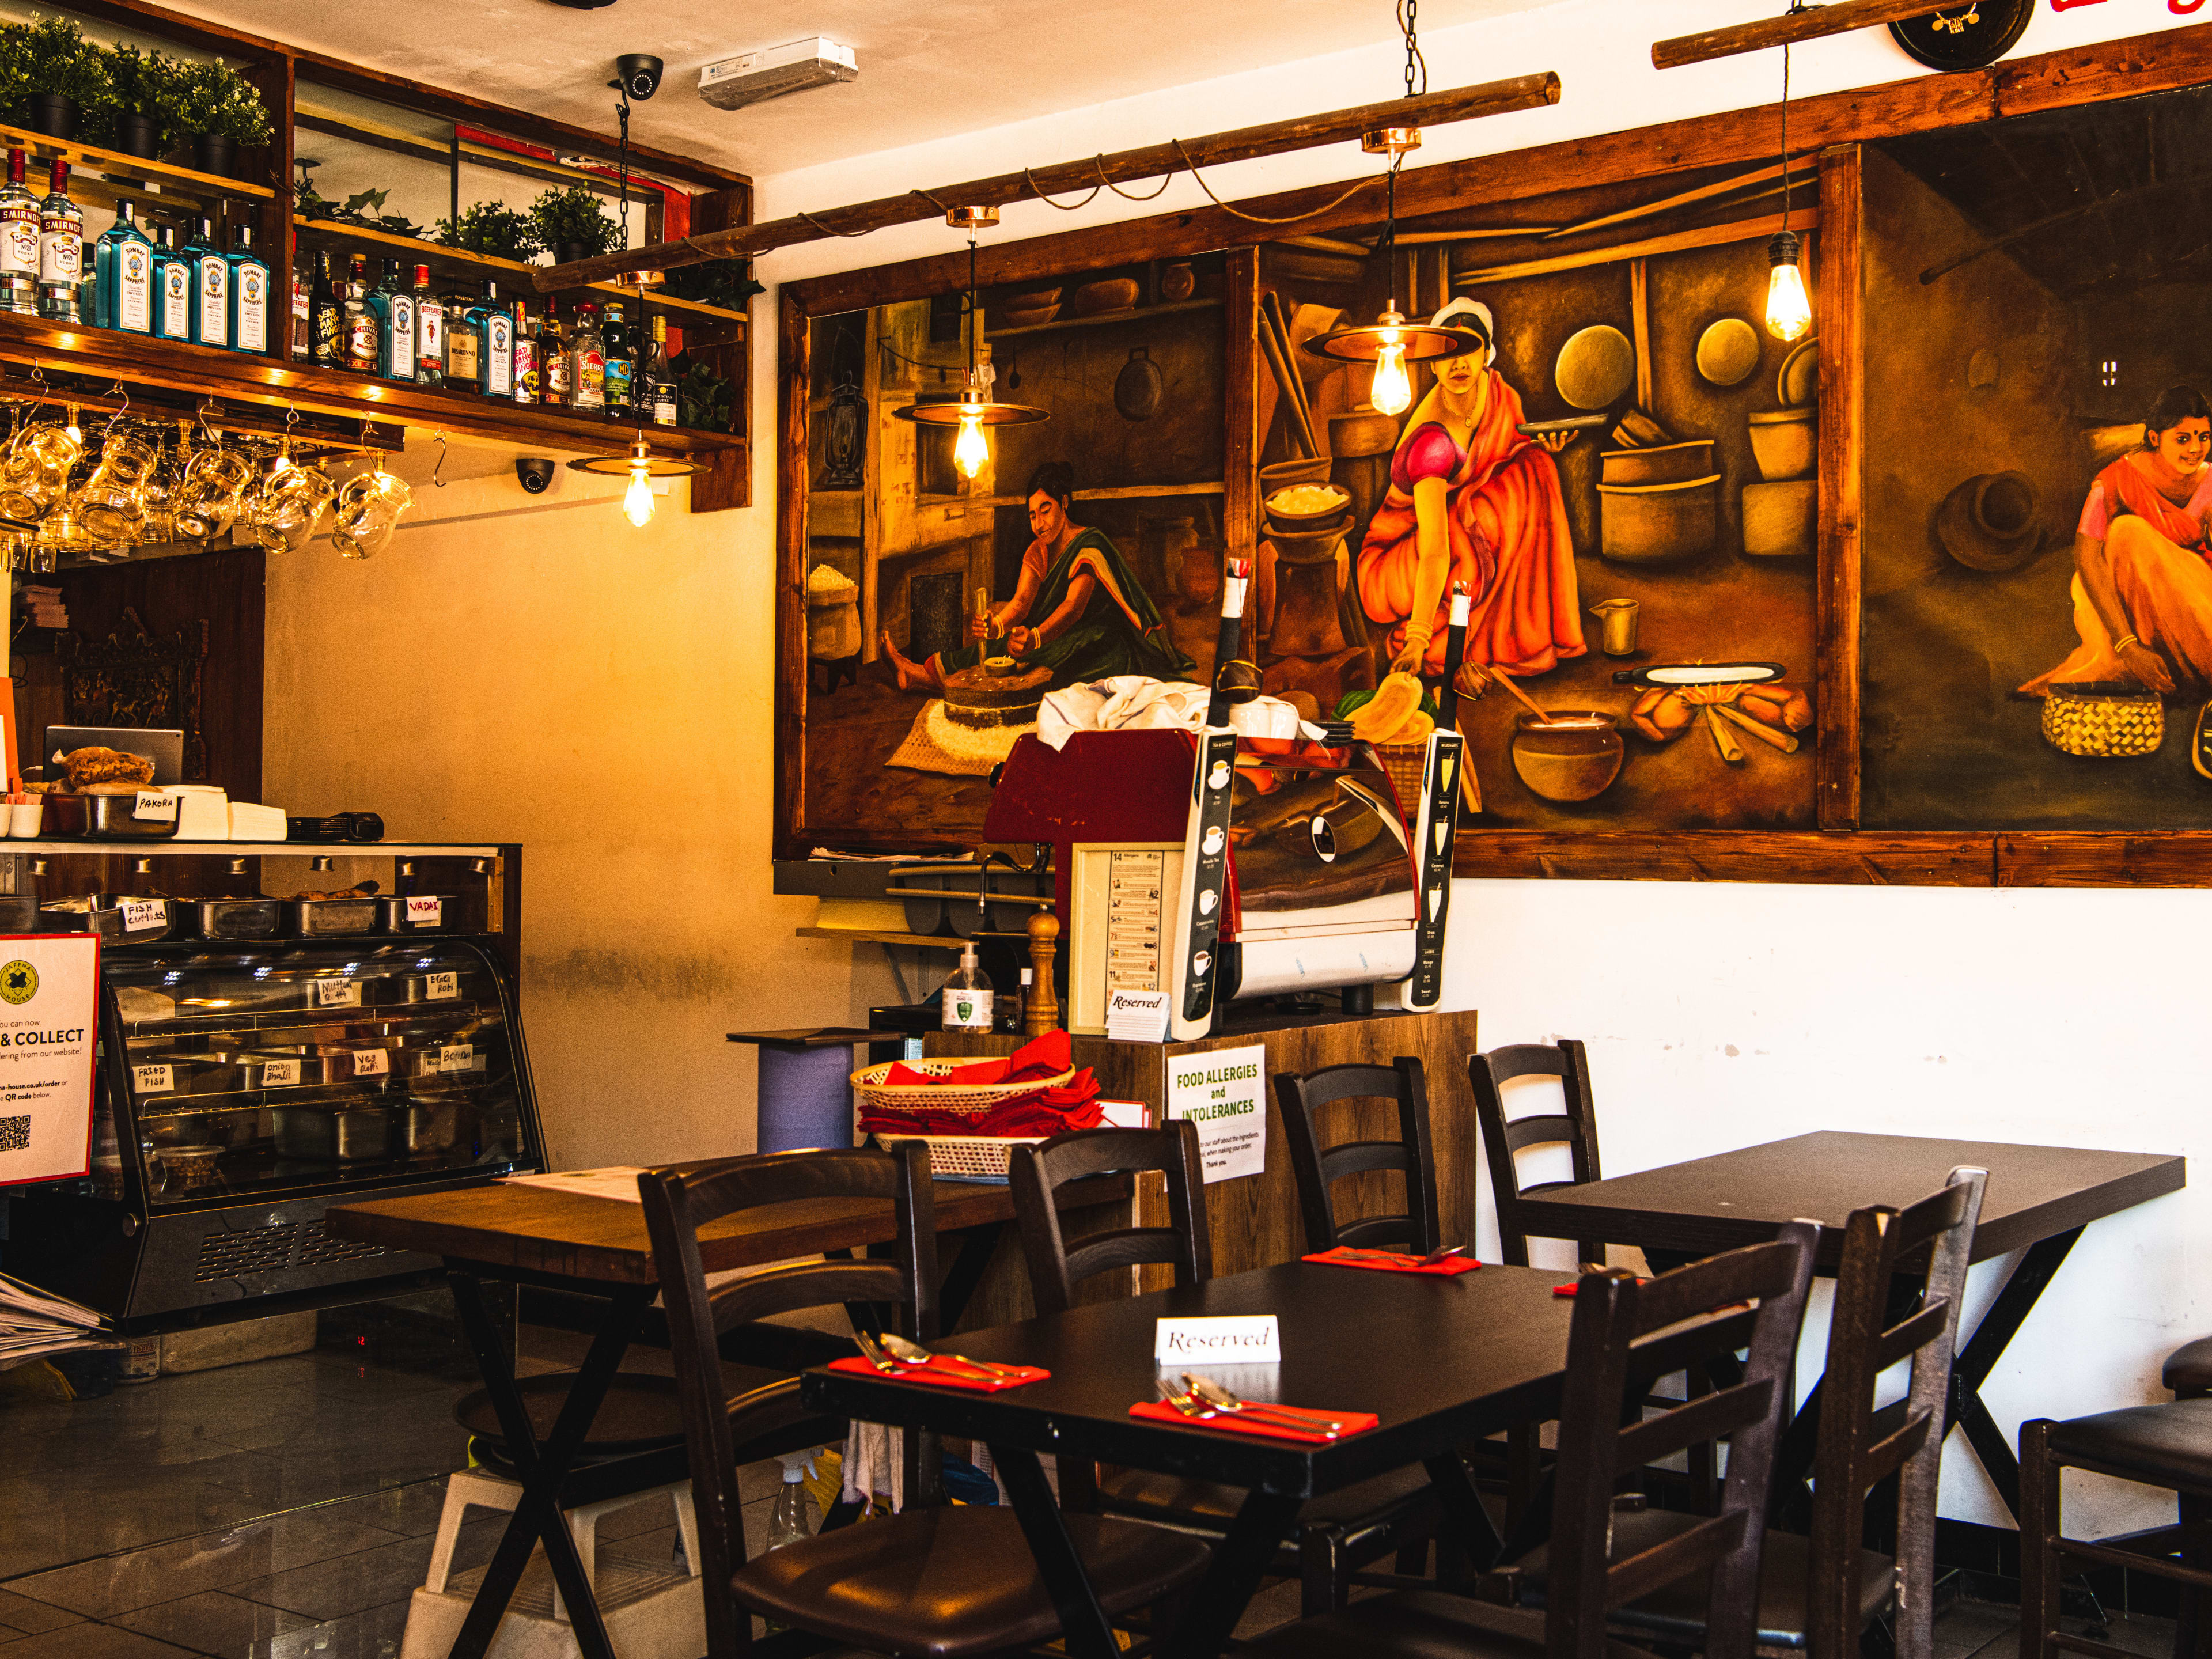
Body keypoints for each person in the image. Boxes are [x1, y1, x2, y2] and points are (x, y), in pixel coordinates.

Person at [1355, 298, 1585, 696]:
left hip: (1451, 533)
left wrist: (1545, 447)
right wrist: (1417, 640)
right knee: (1483, 515)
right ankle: (1455, 633)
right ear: (1432, 363)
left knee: (1536, 470)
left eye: (1470, 349)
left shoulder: (1496, 391)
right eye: (1450, 352)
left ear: (1486, 356)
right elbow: (1434, 551)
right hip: (1393, 566)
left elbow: (1509, 456)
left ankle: (1516, 628)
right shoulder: (1432, 440)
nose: (1460, 363)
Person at [882, 461, 1193, 692]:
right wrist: (998, 625)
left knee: (1047, 664)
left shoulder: (1089, 546)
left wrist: (1035, 638)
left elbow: (1072, 609)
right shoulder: (1036, 550)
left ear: (1064, 504)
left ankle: (926, 677)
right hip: (1056, 633)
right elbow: (1020, 602)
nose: (1039, 523)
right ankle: (919, 673)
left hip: (1097, 636)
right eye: (1032, 514)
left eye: (1046, 510)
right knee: (1001, 646)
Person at [2021, 386, 2212, 698]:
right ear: (2155, 439)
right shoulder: (2116, 478)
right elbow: (2087, 556)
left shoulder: (2210, 480)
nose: (2195, 449)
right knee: (2126, 532)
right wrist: (2127, 645)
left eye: (2203, 437)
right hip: (2139, 614)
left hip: (2192, 599)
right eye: (2183, 438)